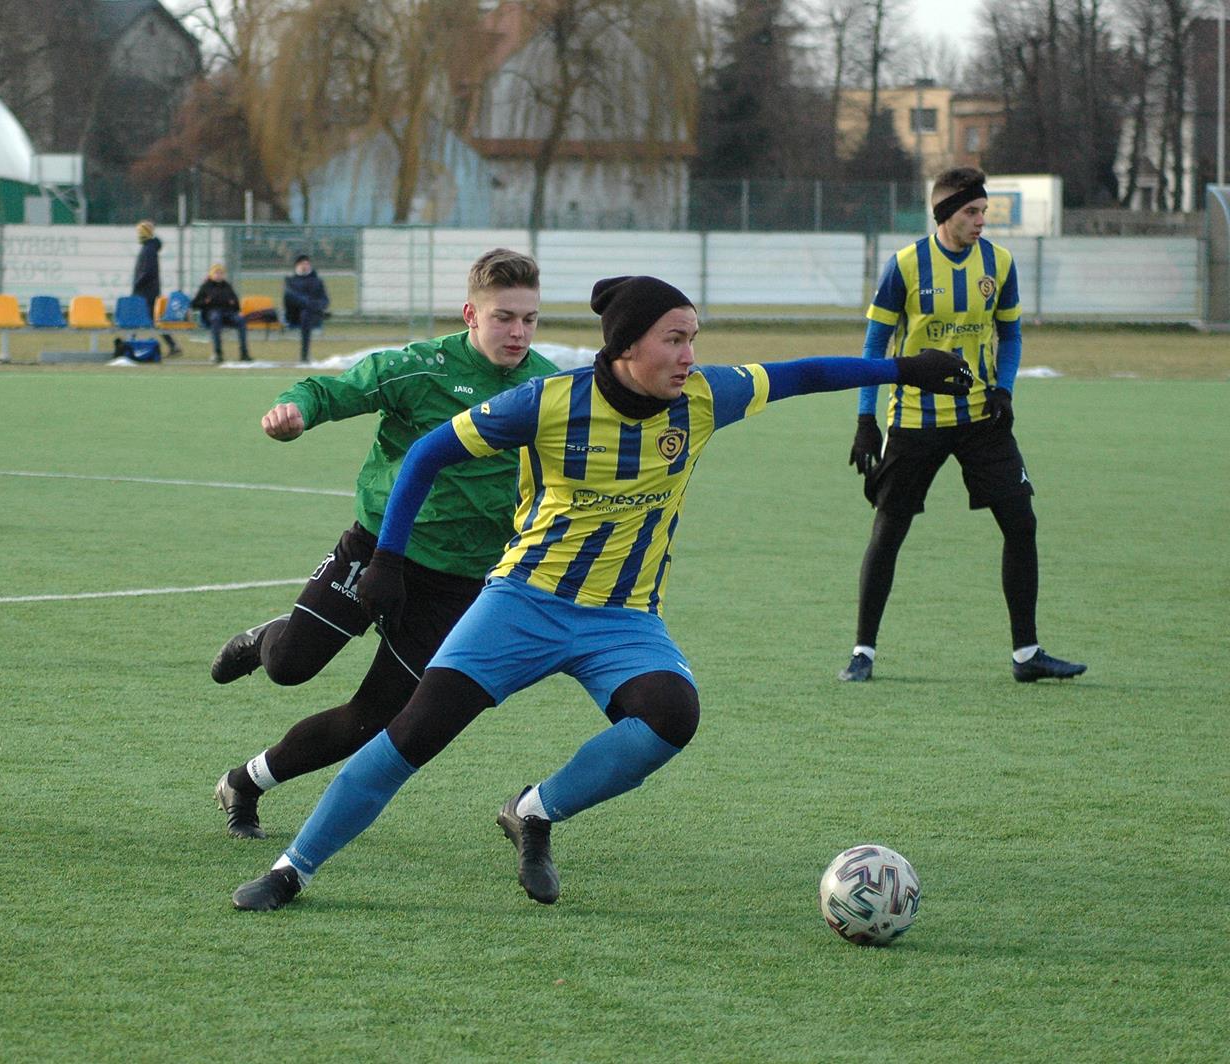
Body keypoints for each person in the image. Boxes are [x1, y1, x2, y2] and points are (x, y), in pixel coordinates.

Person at [230, 275, 974, 911]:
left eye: (692, 339)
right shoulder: (548, 402)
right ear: (626, 348)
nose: (689, 355)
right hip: (521, 604)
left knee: (671, 716)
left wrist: (905, 370)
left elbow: (806, 372)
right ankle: (291, 869)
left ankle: (534, 811)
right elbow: (428, 451)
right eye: (674, 340)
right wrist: (388, 556)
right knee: (410, 736)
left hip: (622, 618)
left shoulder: (709, 397)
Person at [209, 249, 557, 839]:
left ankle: (245, 782)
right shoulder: (420, 368)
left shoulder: (551, 386)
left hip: (458, 583)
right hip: (377, 552)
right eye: (504, 317)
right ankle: (268, 637)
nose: (518, 332)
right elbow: (337, 389)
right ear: (471, 314)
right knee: (290, 667)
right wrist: (296, 410)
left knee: (372, 719)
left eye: (529, 319)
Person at [838, 166, 1085, 685]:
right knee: (889, 530)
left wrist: (1005, 389)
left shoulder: (999, 262)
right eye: (971, 211)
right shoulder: (905, 266)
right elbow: (873, 348)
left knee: (1022, 523)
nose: (980, 221)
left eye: (983, 211)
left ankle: (1027, 654)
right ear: (946, 213)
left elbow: (1011, 336)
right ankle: (863, 653)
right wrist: (866, 418)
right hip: (915, 420)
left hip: (982, 419)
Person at [132, 220, 178, 357]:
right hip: (148, 290)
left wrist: (137, 283)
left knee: (137, 317)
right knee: (149, 319)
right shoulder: (149, 247)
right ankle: (173, 345)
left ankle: (129, 343)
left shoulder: (148, 249)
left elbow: (148, 271)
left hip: (146, 291)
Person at [190, 263, 249, 363]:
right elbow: (194, 304)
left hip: (227, 313)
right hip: (212, 313)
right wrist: (205, 302)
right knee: (216, 318)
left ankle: (244, 353)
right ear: (211, 274)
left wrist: (233, 304)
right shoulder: (206, 286)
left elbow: (236, 304)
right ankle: (218, 353)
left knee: (241, 320)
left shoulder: (227, 286)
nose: (219, 275)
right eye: (216, 273)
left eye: (221, 273)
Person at [282, 253, 330, 363]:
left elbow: (325, 301)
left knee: (306, 313)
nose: (305, 266)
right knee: (290, 295)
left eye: (307, 264)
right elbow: (288, 300)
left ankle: (304, 356)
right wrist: (311, 303)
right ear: (297, 266)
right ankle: (310, 305)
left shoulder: (317, 281)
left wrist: (313, 305)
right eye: (302, 264)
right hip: (293, 315)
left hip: (310, 316)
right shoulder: (290, 281)